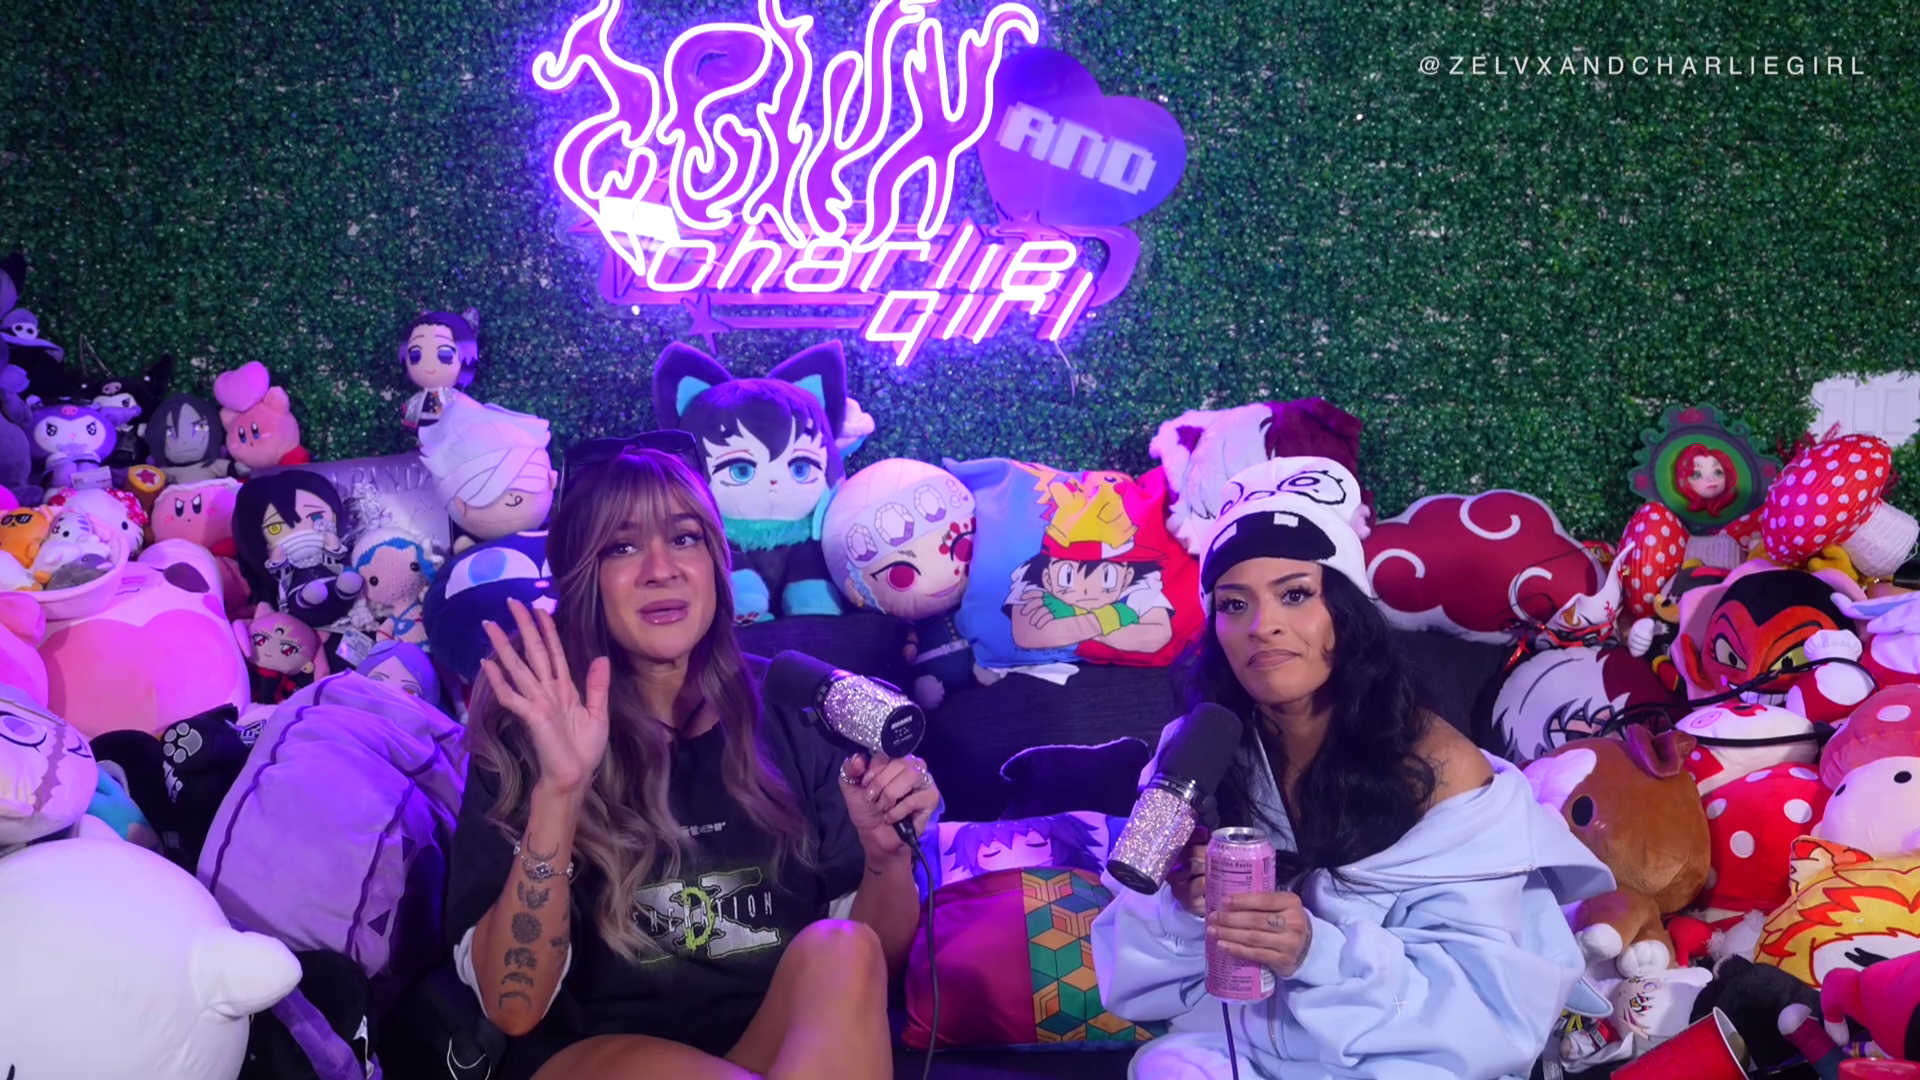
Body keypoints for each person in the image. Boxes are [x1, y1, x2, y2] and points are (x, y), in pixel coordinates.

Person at [1091, 457, 1614, 1080]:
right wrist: (1182, 910)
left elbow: (1487, 1015)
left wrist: (1315, 954)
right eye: (1234, 604)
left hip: (1400, 1059)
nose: (1263, 626)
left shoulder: (1439, 767)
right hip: (1240, 1052)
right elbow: (1132, 986)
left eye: (1294, 595)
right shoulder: (1196, 753)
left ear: (1346, 609)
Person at [444, 446, 940, 1080]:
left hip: (775, 1048)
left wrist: (885, 857)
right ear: (583, 579)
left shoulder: (796, 708)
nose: (661, 571)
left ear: (716, 563)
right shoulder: (530, 732)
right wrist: (560, 792)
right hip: (596, 1056)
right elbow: (511, 1009)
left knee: (843, 948)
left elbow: (874, 977)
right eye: (622, 547)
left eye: (684, 538)